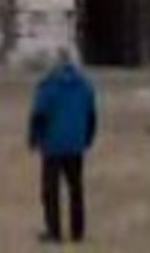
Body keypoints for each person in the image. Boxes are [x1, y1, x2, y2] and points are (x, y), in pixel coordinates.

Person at [28, 47, 97, 244]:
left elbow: (38, 115)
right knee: (76, 188)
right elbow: (91, 115)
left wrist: (34, 138)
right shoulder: (85, 85)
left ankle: (54, 231)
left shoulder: (48, 86)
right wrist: (87, 138)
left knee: (50, 190)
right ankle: (77, 231)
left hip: (53, 144)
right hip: (76, 143)